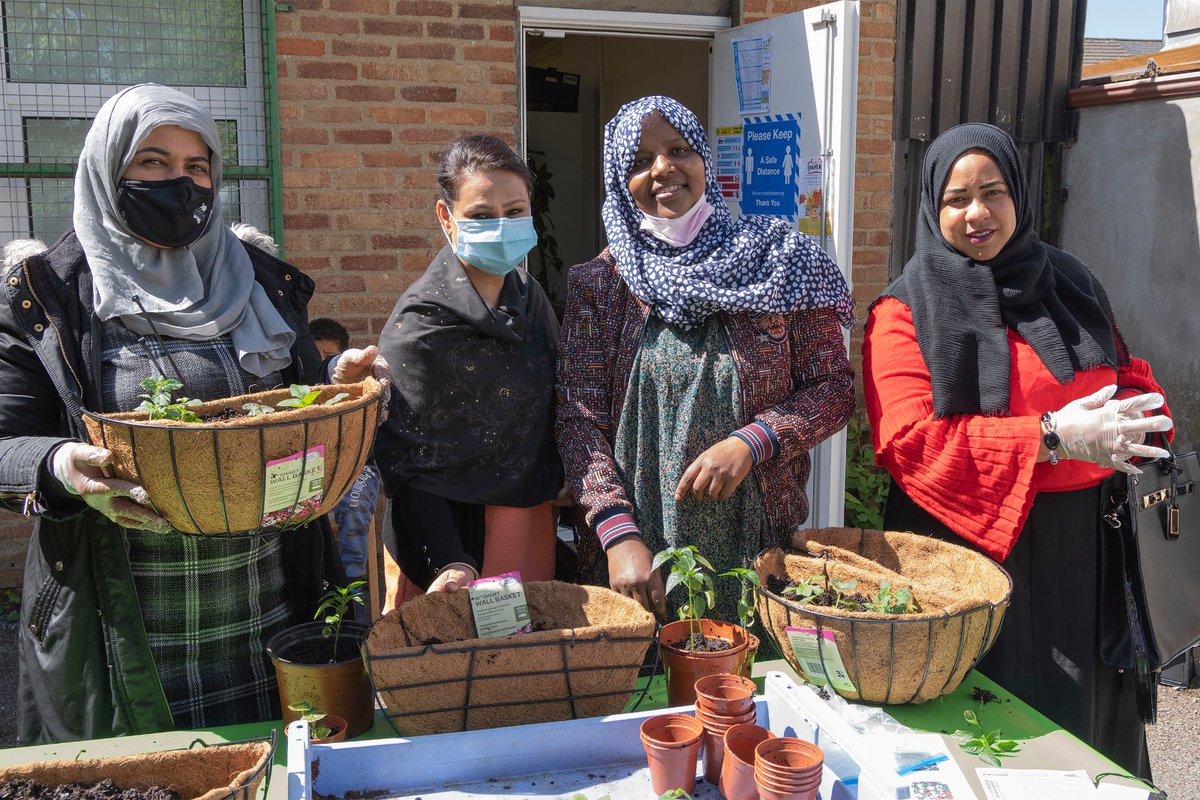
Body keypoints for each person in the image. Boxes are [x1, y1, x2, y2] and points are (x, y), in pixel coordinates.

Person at [0, 84, 385, 743]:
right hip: (125, 633)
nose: (179, 183)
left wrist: (332, 388)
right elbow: (7, 443)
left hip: (270, 613)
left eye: (196, 167)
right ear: (105, 167)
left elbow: (285, 407)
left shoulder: (257, 282)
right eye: (152, 162)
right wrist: (63, 465)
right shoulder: (53, 296)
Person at [862, 122, 1172, 777]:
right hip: (974, 565)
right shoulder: (904, 311)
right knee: (996, 742)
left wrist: (1146, 416)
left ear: (1019, 196)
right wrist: (1051, 437)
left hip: (1085, 550)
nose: (977, 212)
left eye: (993, 191)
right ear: (932, 207)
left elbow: (1123, 363)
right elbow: (908, 442)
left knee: (1086, 726)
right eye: (957, 198)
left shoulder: (1069, 279)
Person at [556, 96, 856, 620]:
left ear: (705, 162)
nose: (662, 169)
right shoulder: (599, 285)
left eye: (678, 149)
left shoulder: (778, 259)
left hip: (758, 540)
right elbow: (579, 420)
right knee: (649, 692)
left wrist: (753, 441)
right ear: (618, 182)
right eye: (638, 160)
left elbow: (833, 388)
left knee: (753, 689)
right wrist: (615, 532)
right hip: (641, 558)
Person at [374, 134, 563, 604]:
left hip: (527, 523)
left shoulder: (530, 300)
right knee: (451, 664)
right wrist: (449, 560)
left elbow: (558, 405)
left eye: (515, 211)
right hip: (447, 543)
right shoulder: (419, 326)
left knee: (529, 664)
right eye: (481, 216)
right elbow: (408, 462)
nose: (501, 227)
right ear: (446, 216)